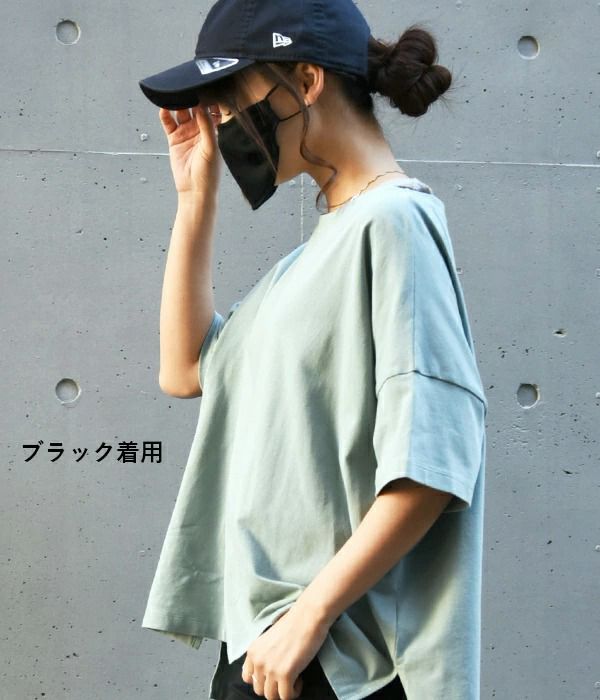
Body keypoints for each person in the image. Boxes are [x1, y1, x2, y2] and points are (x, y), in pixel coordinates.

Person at [137, 1, 488, 699]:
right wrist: (194, 197)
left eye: (231, 99)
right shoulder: (312, 256)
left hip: (335, 660)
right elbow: (184, 370)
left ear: (305, 79)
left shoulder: (394, 222)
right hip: (271, 646)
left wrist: (310, 616)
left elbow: (434, 462)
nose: (223, 123)